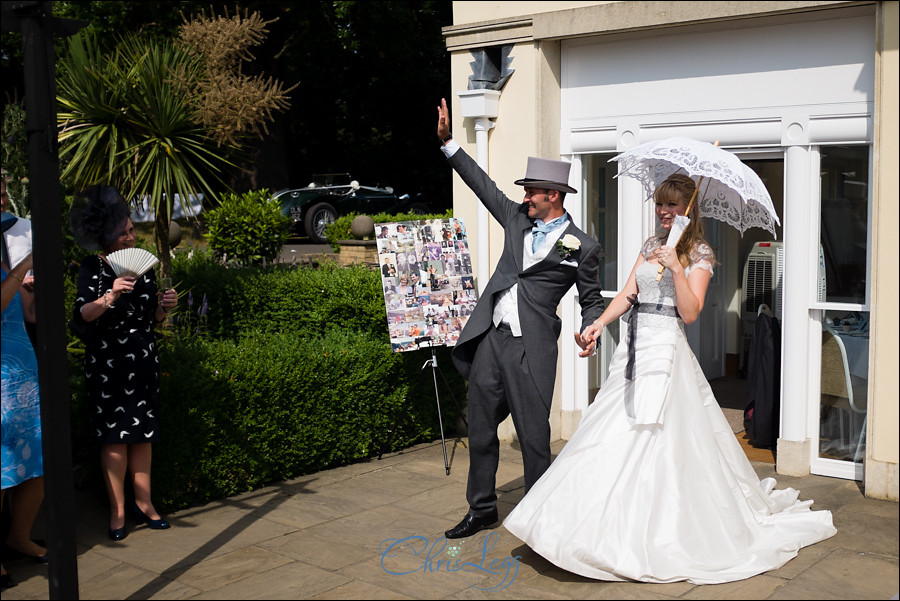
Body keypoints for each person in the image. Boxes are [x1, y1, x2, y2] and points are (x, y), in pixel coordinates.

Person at [503, 173, 837, 584]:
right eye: (660, 204)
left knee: (655, 436)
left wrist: (677, 268)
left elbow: (692, 311)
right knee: (610, 428)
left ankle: (649, 533)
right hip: (633, 345)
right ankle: (583, 527)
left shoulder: (699, 254)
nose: (663, 211)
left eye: (672, 205)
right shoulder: (649, 246)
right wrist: (596, 325)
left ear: (688, 209)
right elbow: (628, 295)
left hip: (664, 348)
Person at [436, 98, 606, 540]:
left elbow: (590, 298)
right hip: (493, 340)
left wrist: (592, 328)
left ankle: (540, 518)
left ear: (553, 196)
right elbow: (482, 185)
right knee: (480, 429)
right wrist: (449, 143)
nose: (524, 197)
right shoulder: (515, 218)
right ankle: (482, 509)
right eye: (525, 192)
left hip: (532, 348)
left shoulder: (581, 246)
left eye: (532, 191)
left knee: (533, 438)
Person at [69, 186, 178, 542]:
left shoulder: (142, 264)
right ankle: (117, 510)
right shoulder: (92, 267)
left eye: (132, 230)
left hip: (142, 359)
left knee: (144, 435)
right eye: (124, 231)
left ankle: (144, 504)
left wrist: (165, 307)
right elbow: (82, 314)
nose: (131, 236)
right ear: (107, 235)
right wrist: (111, 295)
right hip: (108, 365)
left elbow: (153, 317)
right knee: (115, 440)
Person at [1, 251, 45, 589]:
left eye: (3, 194)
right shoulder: (12, 266)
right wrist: (23, 267)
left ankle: (19, 537)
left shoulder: (3, 261)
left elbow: (30, 312)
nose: (2, 200)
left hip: (24, 377)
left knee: (37, 463)